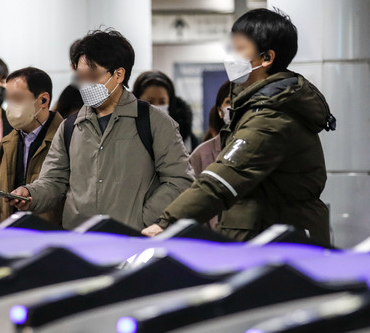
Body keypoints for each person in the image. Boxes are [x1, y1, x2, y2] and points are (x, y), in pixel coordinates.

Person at [142, 8, 336, 244]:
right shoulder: (256, 107)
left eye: (240, 49)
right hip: (268, 238)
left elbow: (222, 180)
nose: (231, 57)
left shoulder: (271, 117)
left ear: (267, 58)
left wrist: (167, 223)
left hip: (281, 248)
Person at [8, 29, 192, 230]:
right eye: (81, 76)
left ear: (119, 74)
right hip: (81, 242)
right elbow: (54, 180)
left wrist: (144, 219)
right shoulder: (70, 127)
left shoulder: (154, 122)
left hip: (133, 241)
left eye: (93, 76)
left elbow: (179, 180)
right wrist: (31, 194)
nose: (86, 84)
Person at [0, 67, 63, 224]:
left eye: (17, 99)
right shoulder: (7, 143)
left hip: (50, 235)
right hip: (13, 234)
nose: (11, 107)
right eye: (8, 99)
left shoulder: (67, 137)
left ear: (43, 100)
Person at [188, 81, 232, 230]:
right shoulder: (201, 154)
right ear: (220, 111)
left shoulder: (261, 147)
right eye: (229, 102)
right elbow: (191, 203)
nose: (234, 106)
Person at [133, 70, 199, 152]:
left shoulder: (185, 139)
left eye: (162, 102)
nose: (156, 107)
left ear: (170, 104)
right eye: (150, 101)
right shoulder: (123, 132)